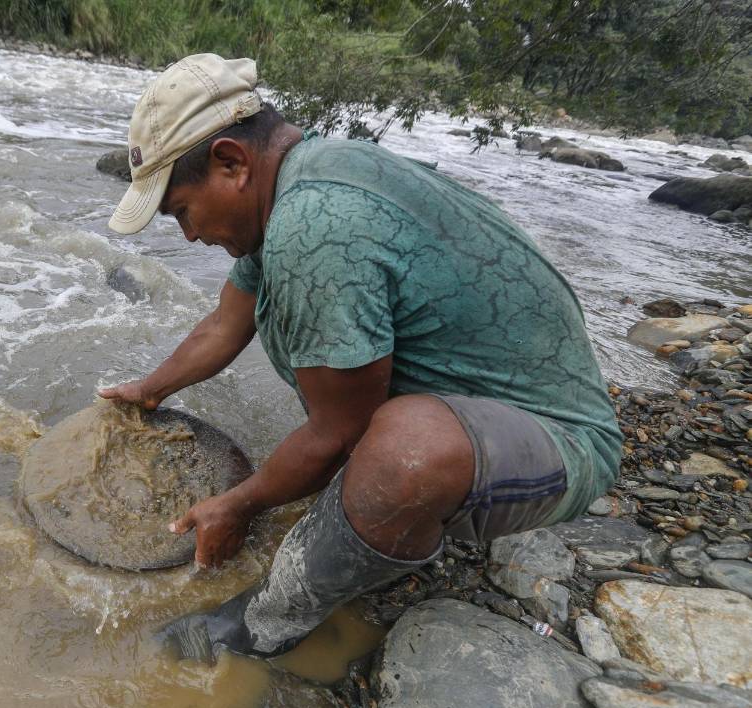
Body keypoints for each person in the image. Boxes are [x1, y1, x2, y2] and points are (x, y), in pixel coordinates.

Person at [99, 53, 621, 663]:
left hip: (559, 441)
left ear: (232, 162)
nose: (189, 235)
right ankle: (386, 520)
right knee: (377, 440)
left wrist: (237, 505)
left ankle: (266, 623)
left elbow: (337, 433)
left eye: (182, 211)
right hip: (483, 409)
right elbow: (225, 324)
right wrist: (149, 390)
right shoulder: (298, 180)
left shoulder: (315, 226)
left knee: (404, 452)